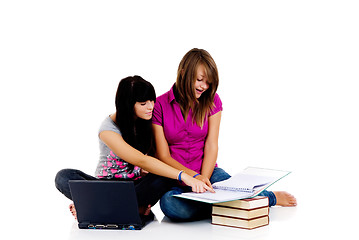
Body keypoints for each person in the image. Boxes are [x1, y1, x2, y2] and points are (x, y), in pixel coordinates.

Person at [152, 48, 297, 222]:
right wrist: (192, 178)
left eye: (208, 83)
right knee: (170, 205)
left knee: (236, 189)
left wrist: (203, 178)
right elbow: (162, 155)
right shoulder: (159, 104)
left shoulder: (212, 100)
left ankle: (269, 197)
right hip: (176, 177)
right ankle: (226, 206)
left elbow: (212, 144)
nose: (204, 87)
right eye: (199, 80)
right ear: (183, 73)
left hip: (208, 172)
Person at [55, 76, 213, 220]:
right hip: (106, 186)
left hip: (136, 188)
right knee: (63, 176)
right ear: (128, 105)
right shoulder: (108, 129)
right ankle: (129, 208)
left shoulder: (148, 120)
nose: (150, 107)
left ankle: (94, 207)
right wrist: (184, 176)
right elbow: (140, 159)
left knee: (163, 178)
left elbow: (155, 158)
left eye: (152, 100)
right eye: (143, 103)